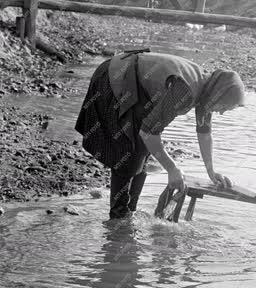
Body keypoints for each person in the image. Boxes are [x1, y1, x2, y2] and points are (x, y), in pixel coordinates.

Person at [75, 50, 245, 219]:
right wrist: (172, 168)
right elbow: (148, 133)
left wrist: (211, 172)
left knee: (141, 152)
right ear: (219, 95)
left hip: (133, 81)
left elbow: (205, 133)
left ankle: (129, 213)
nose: (221, 113)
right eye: (224, 107)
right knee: (127, 152)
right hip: (114, 77)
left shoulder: (208, 92)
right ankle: (118, 220)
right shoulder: (185, 90)